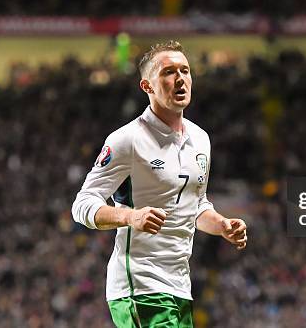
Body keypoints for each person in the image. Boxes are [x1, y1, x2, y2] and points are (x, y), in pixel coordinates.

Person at [71, 40, 247, 327]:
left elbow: (196, 206)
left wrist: (222, 225)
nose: (180, 79)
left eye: (185, 70)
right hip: (139, 286)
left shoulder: (201, 139)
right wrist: (130, 216)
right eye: (168, 72)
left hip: (179, 287)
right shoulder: (126, 140)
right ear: (147, 86)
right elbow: (83, 205)